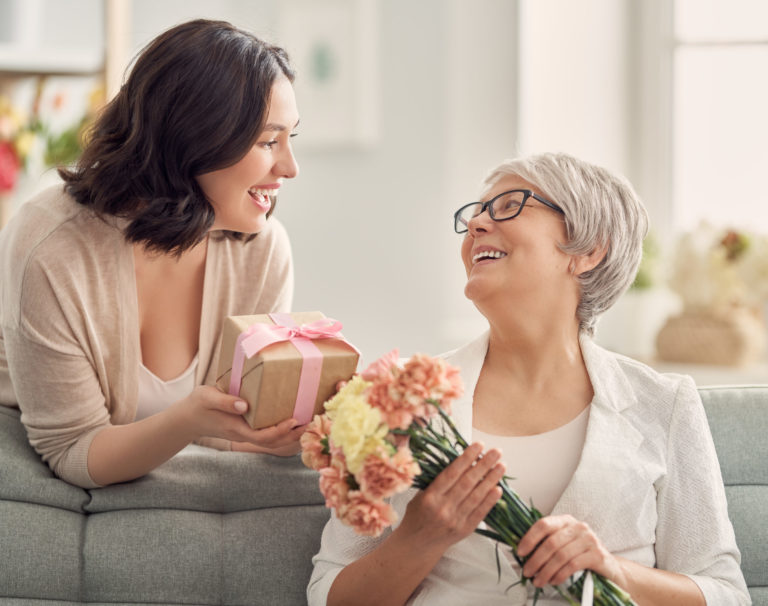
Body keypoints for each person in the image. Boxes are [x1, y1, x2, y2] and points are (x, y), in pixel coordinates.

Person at [308, 152, 750, 605]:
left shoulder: (664, 404)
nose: (477, 223)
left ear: (589, 249)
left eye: (508, 206)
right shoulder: (399, 398)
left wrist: (612, 571)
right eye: (476, 212)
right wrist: (417, 540)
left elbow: (726, 594)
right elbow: (327, 593)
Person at [0, 19, 304, 489]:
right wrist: (190, 420)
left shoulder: (261, 250)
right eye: (269, 142)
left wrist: (278, 437)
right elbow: (72, 449)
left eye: (291, 139)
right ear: (194, 137)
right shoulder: (52, 245)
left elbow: (229, 436)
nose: (290, 168)